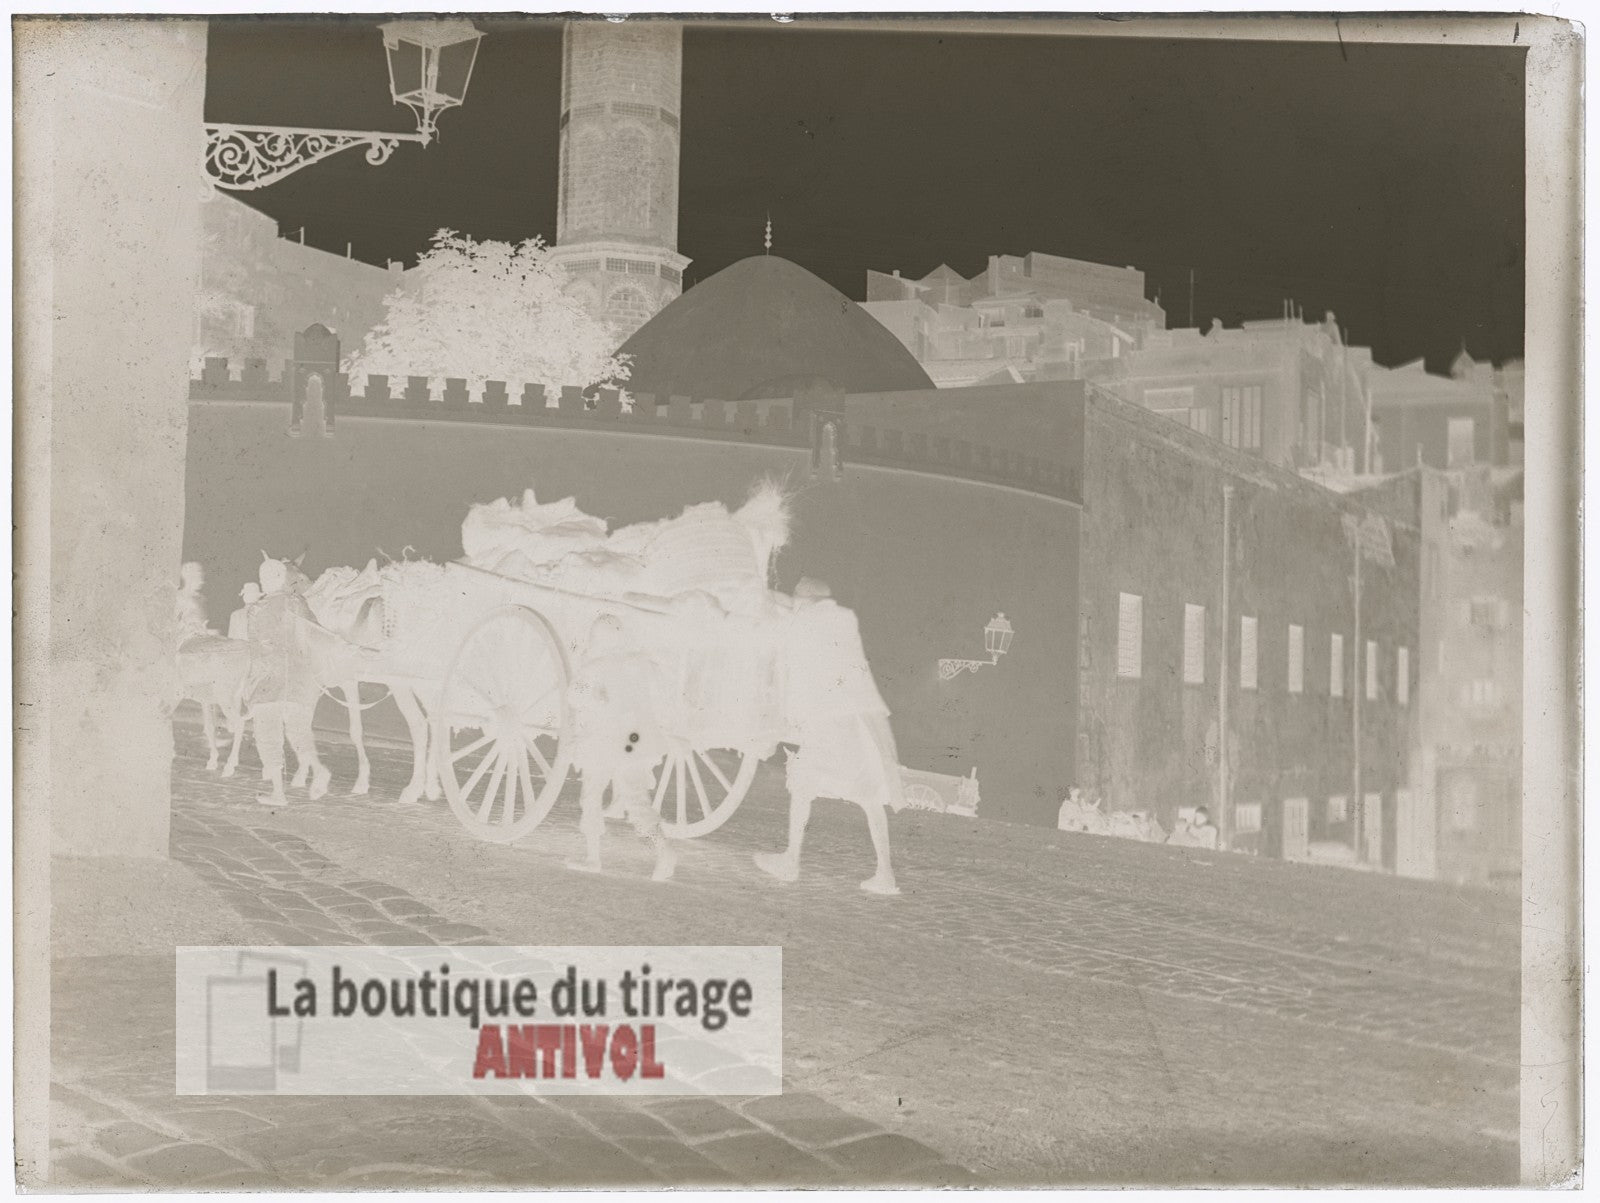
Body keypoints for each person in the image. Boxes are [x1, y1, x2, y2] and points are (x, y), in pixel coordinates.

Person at [755, 578, 903, 895]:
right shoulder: (840, 620)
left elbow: (785, 625)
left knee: (803, 785)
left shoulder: (808, 621)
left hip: (829, 726)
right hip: (858, 723)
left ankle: (791, 860)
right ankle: (885, 873)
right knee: (868, 797)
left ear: (805, 601)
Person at [565, 614, 677, 882]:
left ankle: (593, 857)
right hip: (632, 742)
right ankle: (663, 851)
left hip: (601, 742)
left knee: (591, 794)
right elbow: (660, 690)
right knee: (636, 798)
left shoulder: (593, 667)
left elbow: (574, 697)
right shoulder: (639, 664)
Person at [243, 558, 330, 806]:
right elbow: (317, 634)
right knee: (299, 733)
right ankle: (318, 768)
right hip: (299, 682)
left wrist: (250, 689)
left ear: (264, 581)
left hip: (271, 681)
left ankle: (279, 794)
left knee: (268, 737)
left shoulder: (257, 609)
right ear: (283, 578)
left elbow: (256, 652)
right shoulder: (297, 602)